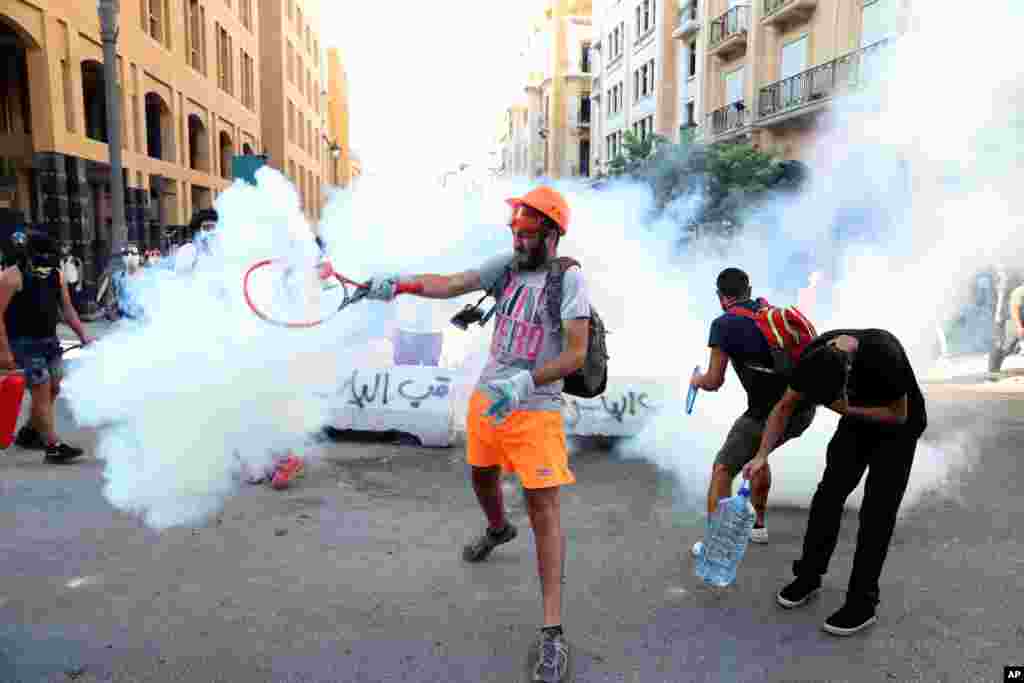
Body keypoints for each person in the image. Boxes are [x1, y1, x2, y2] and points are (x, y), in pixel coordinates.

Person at [361, 186, 588, 683]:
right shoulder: (506, 268)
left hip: (537, 404)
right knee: (480, 475)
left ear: (551, 234)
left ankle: (552, 632)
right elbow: (450, 283)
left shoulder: (567, 279)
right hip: (490, 397)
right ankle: (496, 528)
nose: (517, 240)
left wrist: (528, 380)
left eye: (527, 233)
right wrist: (397, 284)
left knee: (543, 510)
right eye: (514, 231)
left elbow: (575, 354)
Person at [744, 328, 927, 636]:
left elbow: (898, 414)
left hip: (899, 427)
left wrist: (847, 409)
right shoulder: (815, 357)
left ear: (848, 372)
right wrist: (762, 454)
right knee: (828, 496)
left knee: (877, 513)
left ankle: (862, 603)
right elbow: (784, 406)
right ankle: (808, 576)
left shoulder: (884, 353)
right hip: (856, 423)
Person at [690, 268, 816, 544]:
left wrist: (696, 380)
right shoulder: (768, 313)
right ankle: (757, 527)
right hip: (803, 409)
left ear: (721, 296)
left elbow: (714, 380)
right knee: (759, 453)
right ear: (748, 291)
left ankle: (716, 543)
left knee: (723, 469)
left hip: (767, 413)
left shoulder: (724, 324)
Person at [0, 230, 93, 461]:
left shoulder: (56, 275)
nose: (47, 260)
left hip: (50, 342)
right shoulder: (12, 276)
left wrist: (82, 335)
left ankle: (30, 432)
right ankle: (53, 445)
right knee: (41, 390)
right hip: (23, 343)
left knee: (53, 388)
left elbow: (67, 309)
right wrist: (4, 350)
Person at [988, 268, 1024, 373]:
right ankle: (993, 370)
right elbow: (1014, 309)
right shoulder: (1019, 292)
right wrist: (1019, 326)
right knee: (1007, 346)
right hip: (1014, 320)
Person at [105, 244, 147, 322]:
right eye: (126, 253)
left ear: (140, 257)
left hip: (143, 320)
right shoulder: (117, 276)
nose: (129, 256)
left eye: (133, 253)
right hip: (123, 322)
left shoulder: (148, 275)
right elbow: (110, 302)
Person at [175, 208, 219, 276]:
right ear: (197, 230)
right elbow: (181, 278)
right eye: (206, 227)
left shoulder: (215, 249)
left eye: (213, 227)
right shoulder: (188, 250)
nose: (210, 231)